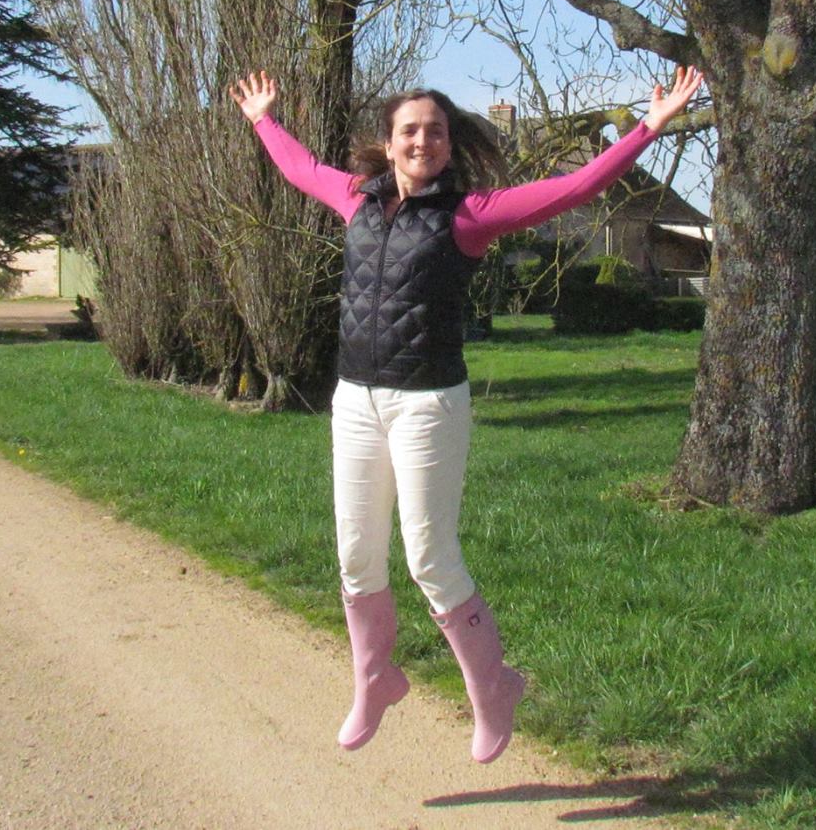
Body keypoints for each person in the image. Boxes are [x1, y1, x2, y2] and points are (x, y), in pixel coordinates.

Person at [232, 66, 704, 763]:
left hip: (428, 404)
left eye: (436, 132)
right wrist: (263, 120)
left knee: (430, 558)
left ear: (449, 146)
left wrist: (647, 128)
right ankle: (374, 679)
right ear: (388, 143)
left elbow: (574, 188)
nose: (422, 141)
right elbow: (300, 169)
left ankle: (493, 688)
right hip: (355, 401)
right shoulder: (355, 199)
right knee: (355, 557)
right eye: (409, 130)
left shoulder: (469, 216)